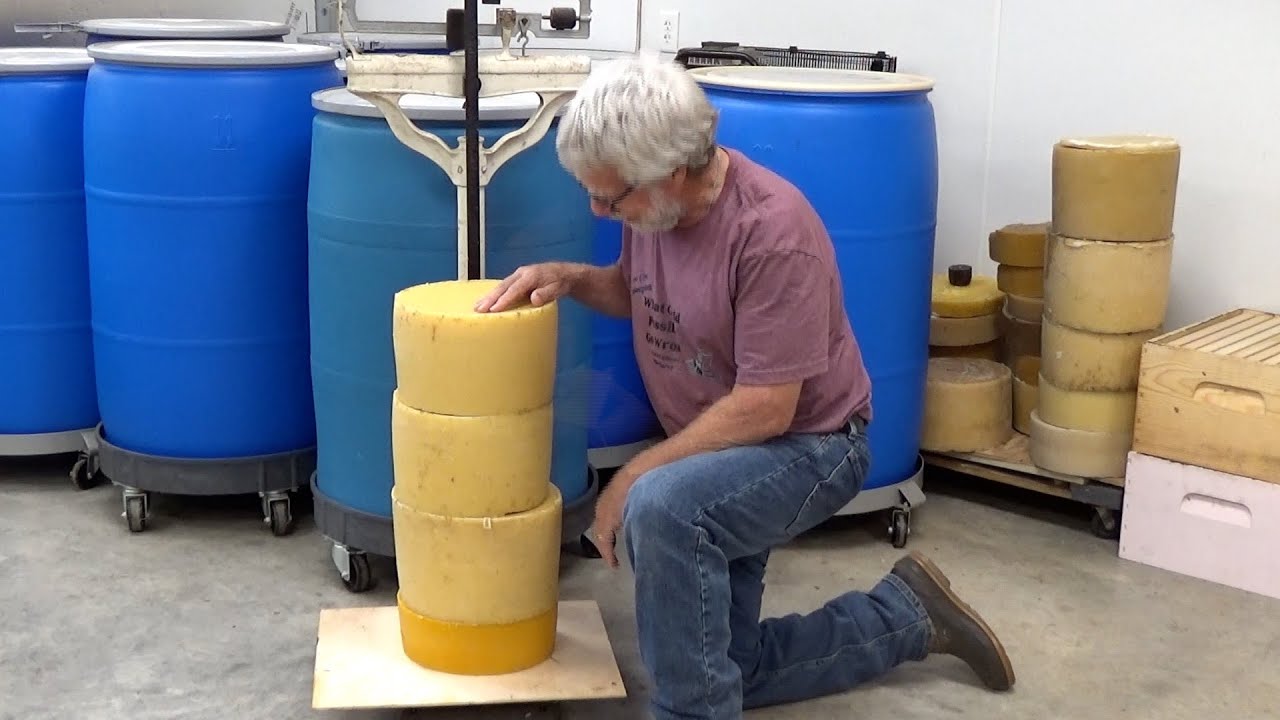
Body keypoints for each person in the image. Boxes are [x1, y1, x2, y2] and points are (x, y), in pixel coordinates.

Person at [474, 53, 1015, 719]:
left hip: (811, 444)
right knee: (727, 667)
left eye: (609, 197)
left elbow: (766, 406)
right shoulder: (657, 212)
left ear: (671, 172)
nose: (598, 209)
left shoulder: (771, 233)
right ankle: (905, 617)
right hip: (725, 443)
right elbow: (641, 291)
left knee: (663, 509)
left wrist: (635, 474)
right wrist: (570, 277)